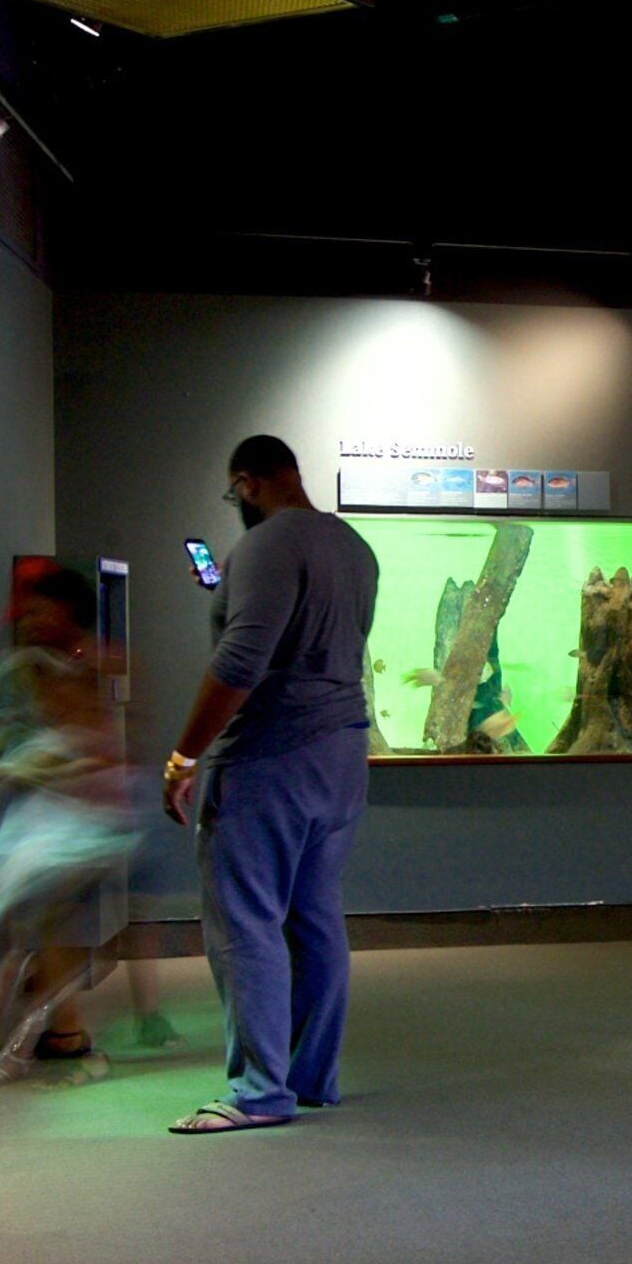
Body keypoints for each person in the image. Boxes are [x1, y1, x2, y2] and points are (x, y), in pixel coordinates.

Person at [160, 435, 380, 1133]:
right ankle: (312, 1076)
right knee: (313, 915)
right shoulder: (353, 547)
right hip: (342, 756)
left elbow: (241, 661)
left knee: (245, 917)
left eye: (234, 495)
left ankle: (258, 1090)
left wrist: (184, 755)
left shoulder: (266, 546)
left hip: (269, 759)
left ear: (249, 483)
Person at [0, 565, 146, 1086]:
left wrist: (17, 768)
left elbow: (90, 748)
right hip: (54, 812)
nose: (27, 621)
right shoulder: (38, 667)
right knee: (34, 925)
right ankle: (50, 1028)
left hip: (82, 818)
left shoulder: (90, 663)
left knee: (48, 927)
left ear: (62, 612)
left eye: (37, 610)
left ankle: (43, 1032)